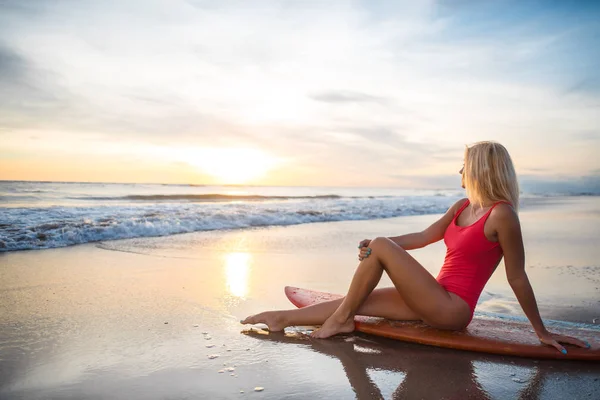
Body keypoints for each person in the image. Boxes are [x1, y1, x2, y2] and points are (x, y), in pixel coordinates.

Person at [241, 141, 590, 354]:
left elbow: (517, 277)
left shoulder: (503, 216)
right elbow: (425, 237)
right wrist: (380, 245)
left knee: (377, 253)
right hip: (432, 297)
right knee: (359, 298)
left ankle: (342, 320)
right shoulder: (460, 207)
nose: (460, 171)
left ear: (481, 170)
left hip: (451, 310)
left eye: (465, 166)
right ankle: (281, 318)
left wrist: (540, 331)